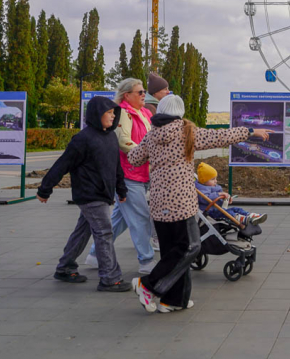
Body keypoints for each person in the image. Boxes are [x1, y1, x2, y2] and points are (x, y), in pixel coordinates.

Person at [128, 95, 270, 313]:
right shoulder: (186, 132)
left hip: (158, 202)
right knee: (190, 247)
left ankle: (174, 300)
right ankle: (147, 285)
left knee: (171, 252)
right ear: (180, 113)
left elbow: (134, 158)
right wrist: (250, 131)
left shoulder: (152, 134)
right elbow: (220, 136)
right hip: (181, 203)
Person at [36, 96, 131, 292]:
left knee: (83, 231)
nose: (113, 116)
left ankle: (65, 267)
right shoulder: (82, 139)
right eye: (109, 113)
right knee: (104, 233)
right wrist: (45, 189)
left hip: (104, 194)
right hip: (89, 195)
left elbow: (116, 167)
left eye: (114, 113)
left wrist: (121, 189)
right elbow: (62, 164)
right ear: (97, 114)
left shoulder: (111, 137)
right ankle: (110, 278)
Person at [85, 78, 156, 274]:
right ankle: (147, 262)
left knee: (120, 219)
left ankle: (94, 255)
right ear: (127, 95)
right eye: (140, 92)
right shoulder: (123, 113)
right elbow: (124, 141)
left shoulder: (145, 113)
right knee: (140, 217)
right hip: (129, 174)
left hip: (142, 173)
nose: (144, 95)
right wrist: (147, 155)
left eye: (144, 92)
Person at [195, 162, 267, 226]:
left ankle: (251, 216)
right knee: (229, 213)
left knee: (236, 209)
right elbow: (205, 198)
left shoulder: (212, 186)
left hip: (217, 209)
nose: (215, 181)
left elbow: (218, 198)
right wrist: (219, 195)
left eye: (215, 178)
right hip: (210, 212)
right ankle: (242, 219)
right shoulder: (201, 189)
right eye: (213, 179)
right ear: (204, 181)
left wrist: (226, 197)